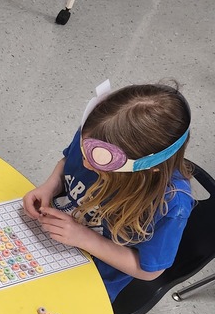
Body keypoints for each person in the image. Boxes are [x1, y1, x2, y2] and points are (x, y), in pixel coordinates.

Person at [22, 81, 195, 301]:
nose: (85, 163)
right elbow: (67, 162)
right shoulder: (96, 138)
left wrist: (84, 238)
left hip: (93, 277)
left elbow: (149, 270)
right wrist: (49, 186)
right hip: (47, 238)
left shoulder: (171, 203)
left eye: (98, 163)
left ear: (148, 168)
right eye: (84, 151)